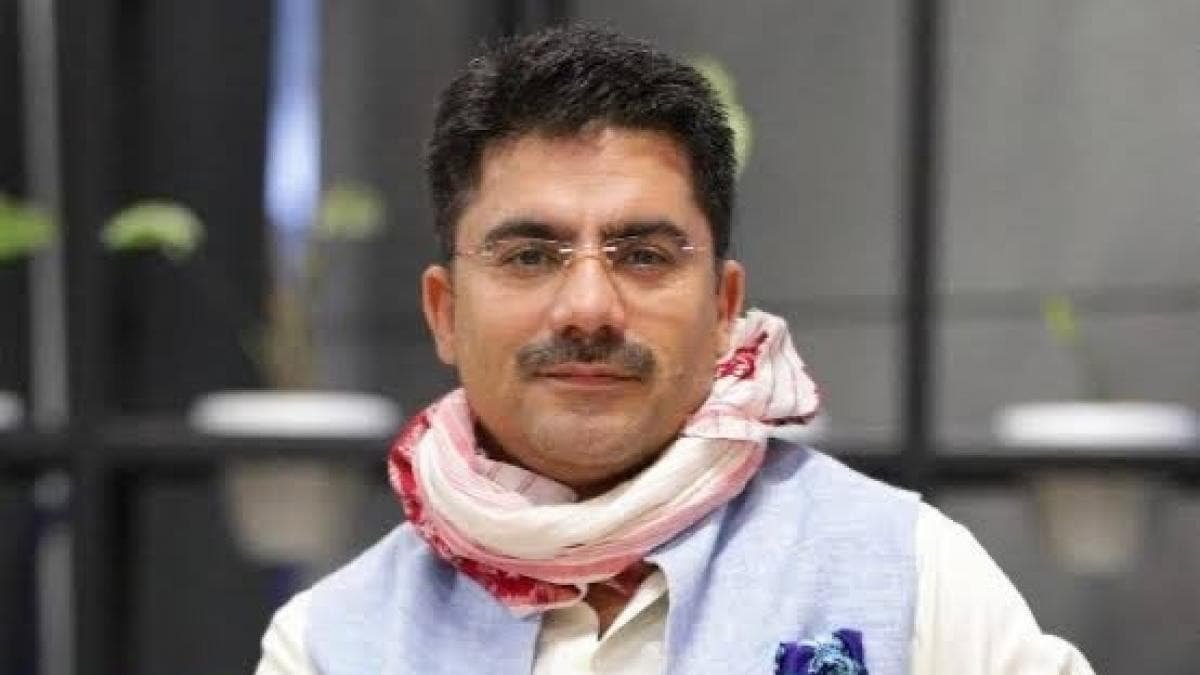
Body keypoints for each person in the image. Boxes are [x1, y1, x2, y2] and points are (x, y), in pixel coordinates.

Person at [255, 25, 1094, 675]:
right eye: (530, 256)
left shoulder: (914, 573)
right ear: (445, 313)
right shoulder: (332, 643)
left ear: (725, 308)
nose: (588, 306)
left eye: (645, 255)